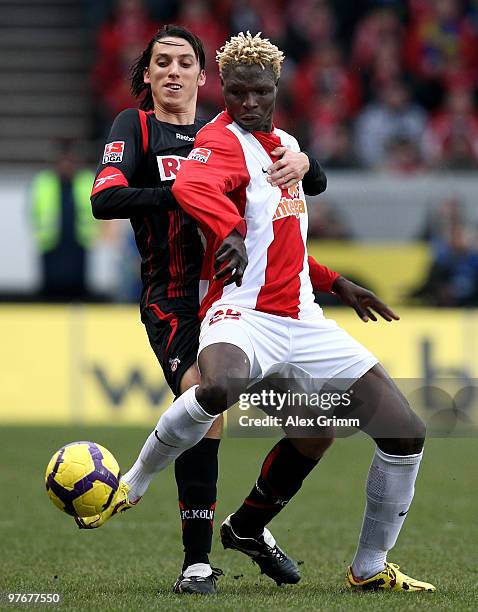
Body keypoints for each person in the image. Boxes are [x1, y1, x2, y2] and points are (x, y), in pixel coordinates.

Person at [111, 32, 435, 594]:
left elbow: (281, 242)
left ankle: (367, 567)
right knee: (219, 388)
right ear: (225, 92)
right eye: (237, 93)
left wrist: (338, 283)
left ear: (277, 90)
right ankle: (135, 482)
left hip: (304, 321)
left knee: (402, 432)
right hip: (239, 314)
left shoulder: (285, 144)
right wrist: (229, 231)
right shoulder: (217, 140)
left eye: (259, 92)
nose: (249, 104)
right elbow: (191, 184)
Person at [80, 25, 348, 595]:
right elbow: (105, 197)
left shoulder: (225, 133)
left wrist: (303, 161)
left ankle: (249, 527)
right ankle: (196, 562)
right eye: (161, 63)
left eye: (184, 63)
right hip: (175, 299)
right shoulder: (137, 127)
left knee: (318, 425)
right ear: (147, 75)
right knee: (205, 398)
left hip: (242, 301)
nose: (172, 72)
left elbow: (296, 198)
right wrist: (183, 188)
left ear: (205, 79)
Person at [30, 142, 98, 301]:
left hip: (78, 240)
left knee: (77, 284)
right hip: (51, 241)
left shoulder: (86, 180)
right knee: (51, 284)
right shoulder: (43, 181)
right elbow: (34, 211)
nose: (66, 165)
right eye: (63, 161)